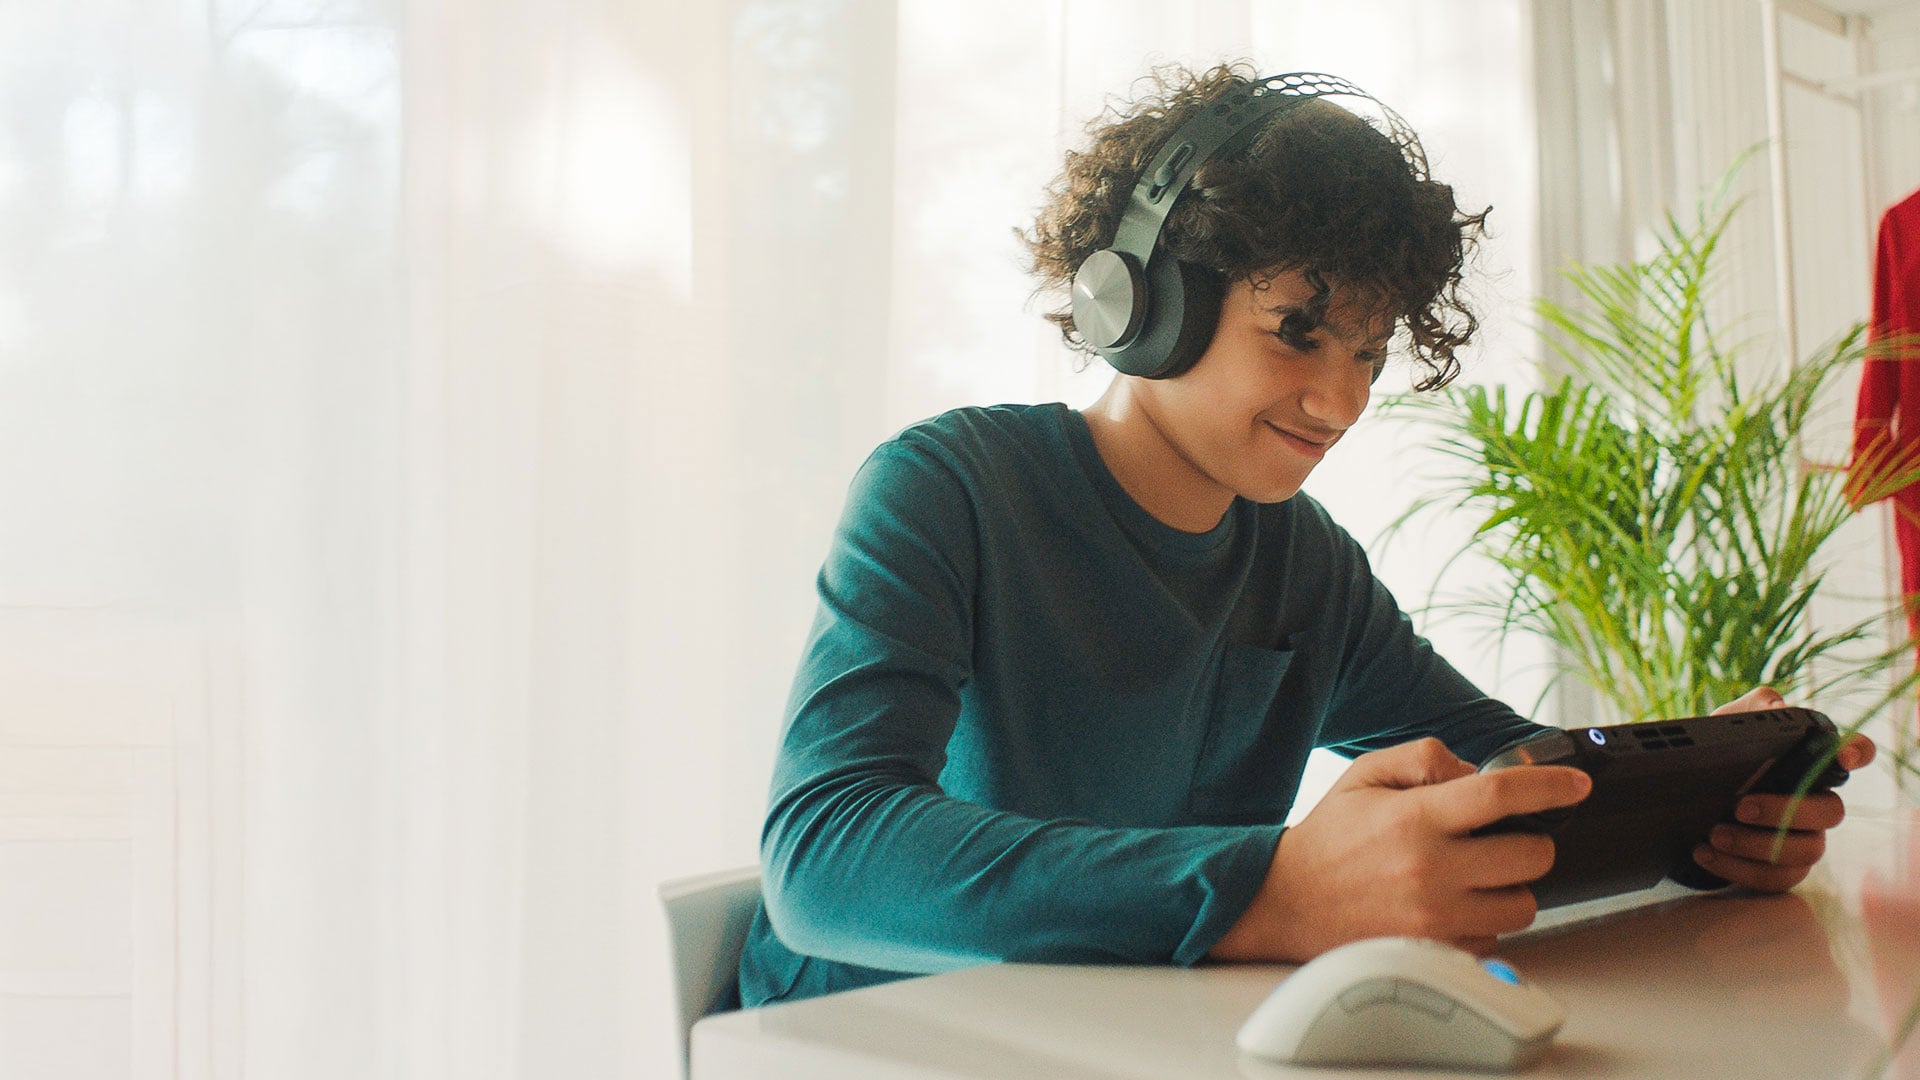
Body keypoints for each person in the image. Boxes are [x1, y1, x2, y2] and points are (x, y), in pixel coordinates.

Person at [736, 63, 1876, 1008]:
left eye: (1371, 355)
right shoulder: (948, 490)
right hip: (862, 1035)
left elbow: (1502, 764)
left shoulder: (1303, 562)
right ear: (1144, 300)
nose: (1340, 403)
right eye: (1299, 334)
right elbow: (827, 856)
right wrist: (1265, 888)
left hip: (1114, 1031)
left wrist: (1691, 812)